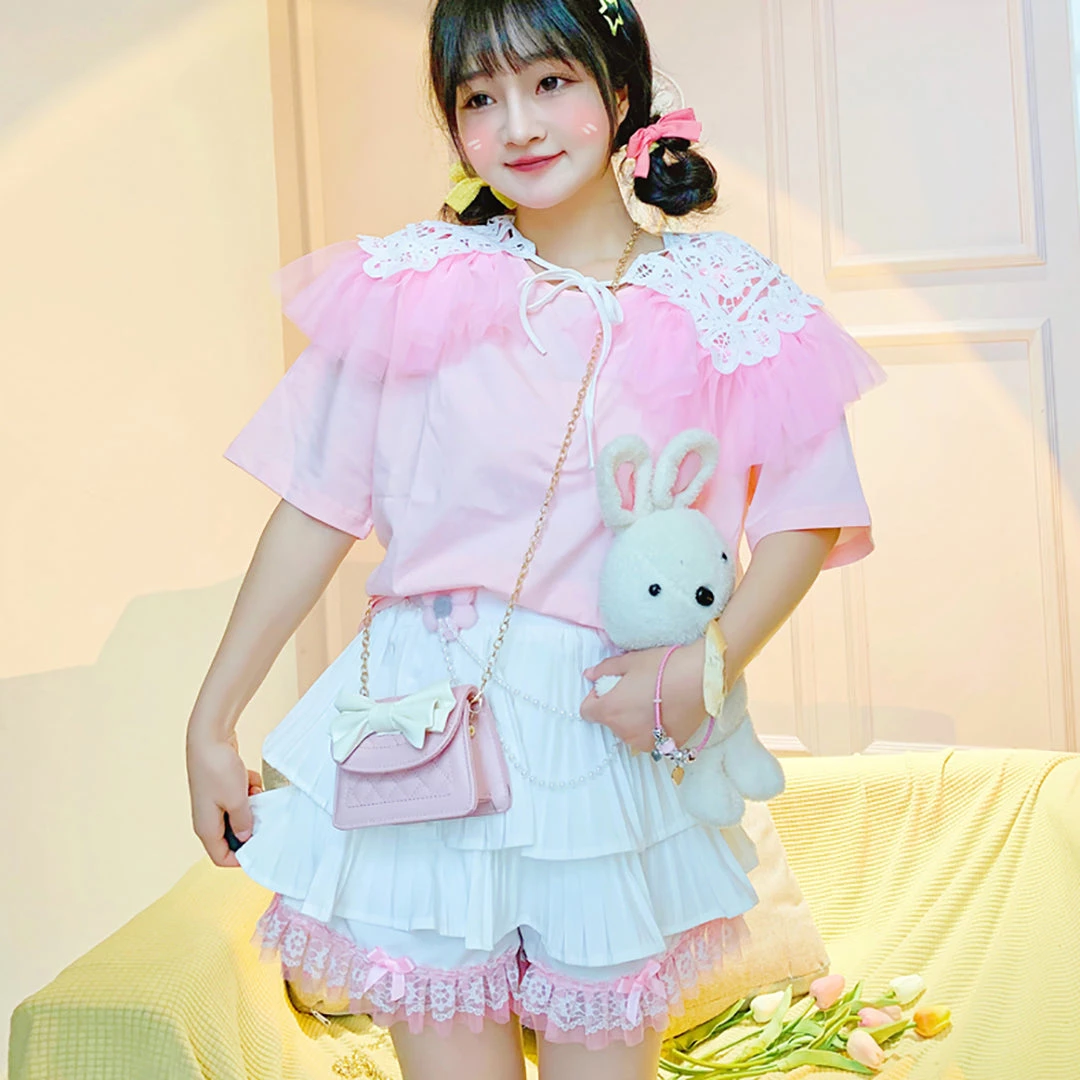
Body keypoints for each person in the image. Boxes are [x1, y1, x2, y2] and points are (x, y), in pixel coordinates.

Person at [184, 0, 887, 1077]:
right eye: (480, 98)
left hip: (606, 735)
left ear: (620, 93)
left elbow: (806, 511)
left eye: (550, 82)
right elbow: (316, 505)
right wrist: (211, 718)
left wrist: (703, 667)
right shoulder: (414, 282)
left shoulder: (726, 295)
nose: (517, 124)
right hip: (425, 722)